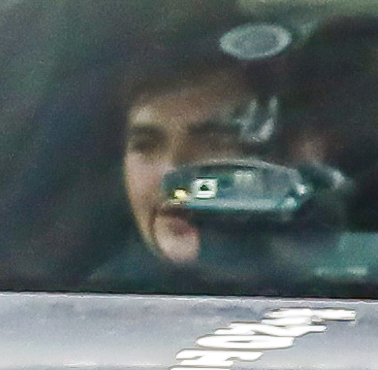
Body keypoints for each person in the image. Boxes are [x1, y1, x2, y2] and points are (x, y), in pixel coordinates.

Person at [112, 50, 282, 271]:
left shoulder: (318, 289)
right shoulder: (91, 296)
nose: (171, 172)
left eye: (212, 144)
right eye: (146, 145)